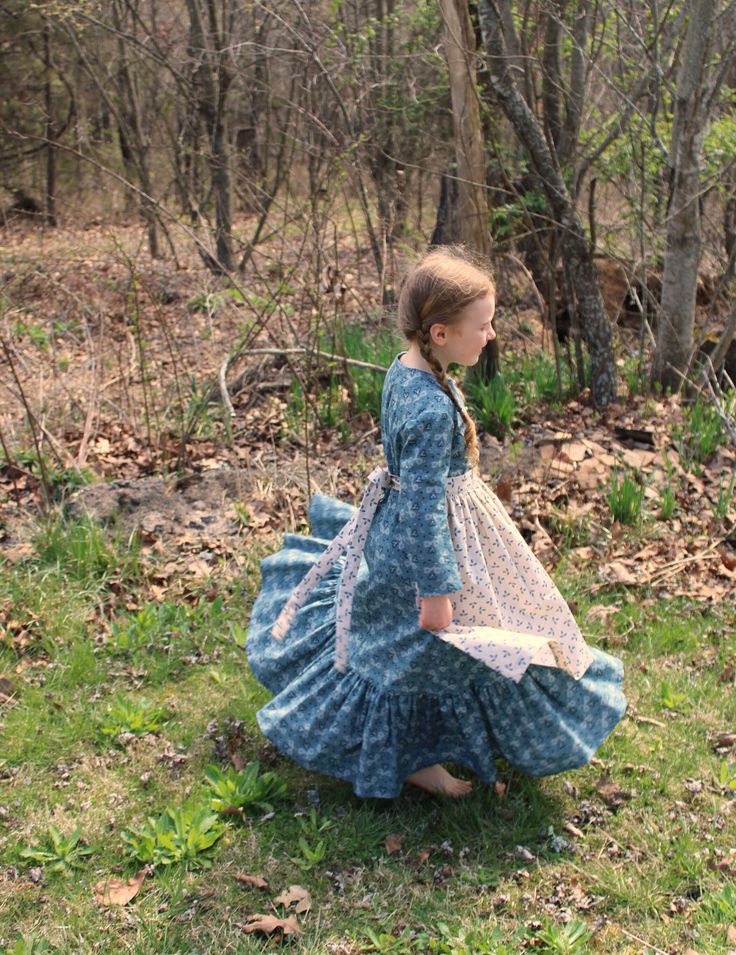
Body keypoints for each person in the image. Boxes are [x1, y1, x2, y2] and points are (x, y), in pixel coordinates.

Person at [245, 246, 627, 800]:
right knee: (437, 644)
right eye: (484, 325)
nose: (491, 335)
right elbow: (425, 511)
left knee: (410, 648)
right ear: (441, 333)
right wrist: (436, 590)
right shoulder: (428, 408)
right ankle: (413, 760)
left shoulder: (406, 369)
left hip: (408, 527)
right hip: (428, 544)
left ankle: (418, 752)